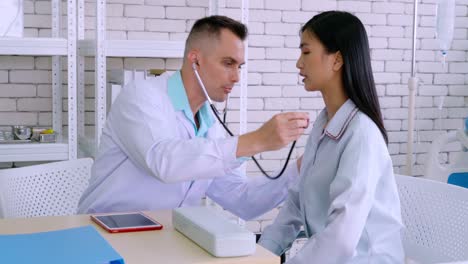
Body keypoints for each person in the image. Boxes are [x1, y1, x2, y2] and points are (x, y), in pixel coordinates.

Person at [78, 15, 310, 220]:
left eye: (240, 66)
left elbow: (243, 201)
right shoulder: (141, 96)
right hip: (105, 232)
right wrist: (256, 140)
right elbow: (163, 162)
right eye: (228, 63)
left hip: (163, 239)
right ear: (195, 60)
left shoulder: (211, 125)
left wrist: (298, 169)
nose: (236, 77)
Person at [258, 11, 404, 263]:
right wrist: (261, 255)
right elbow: (296, 202)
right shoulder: (325, 123)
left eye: (306, 52)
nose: (298, 64)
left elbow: (341, 238)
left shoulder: (362, 134)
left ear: (336, 60)